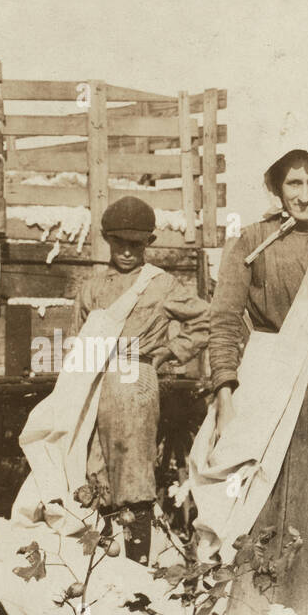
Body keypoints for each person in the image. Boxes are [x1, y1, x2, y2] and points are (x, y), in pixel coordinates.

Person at [204, 148, 308, 615]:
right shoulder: (250, 243)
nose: (304, 194)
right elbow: (225, 320)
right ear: (277, 189)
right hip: (270, 377)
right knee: (263, 498)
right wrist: (226, 391)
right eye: (293, 183)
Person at [73, 196, 210, 565]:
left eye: (136, 244)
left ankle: (136, 571)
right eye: (120, 243)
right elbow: (78, 340)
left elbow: (205, 320)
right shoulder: (92, 288)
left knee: (133, 476)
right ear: (107, 240)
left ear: (147, 244)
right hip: (97, 380)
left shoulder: (160, 285)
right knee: (95, 472)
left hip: (136, 379)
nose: (128, 251)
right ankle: (101, 569)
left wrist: (170, 351)